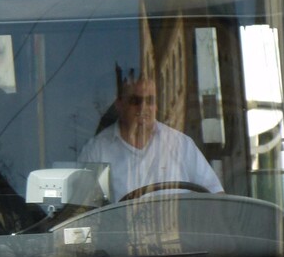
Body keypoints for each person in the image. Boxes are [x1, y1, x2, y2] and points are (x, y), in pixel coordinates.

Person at [77, 74, 223, 203]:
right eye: (135, 101)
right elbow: (81, 212)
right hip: (121, 233)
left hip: (181, 232)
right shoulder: (96, 151)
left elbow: (216, 197)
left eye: (150, 101)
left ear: (156, 106)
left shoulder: (181, 144)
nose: (143, 108)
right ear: (120, 105)